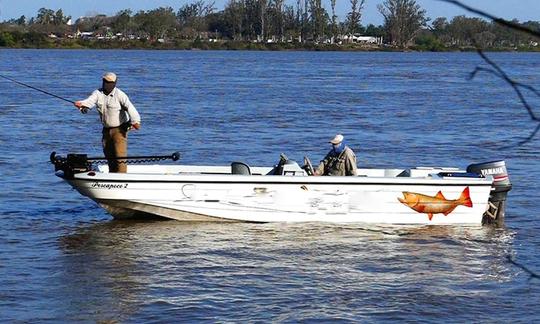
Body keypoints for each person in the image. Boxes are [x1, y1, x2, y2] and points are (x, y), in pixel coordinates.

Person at [74, 72, 141, 173]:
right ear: (103, 81)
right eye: (105, 81)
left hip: (120, 130)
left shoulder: (120, 95)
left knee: (120, 156)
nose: (107, 84)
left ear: (115, 83)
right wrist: (81, 104)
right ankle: (112, 175)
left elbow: (130, 108)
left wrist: (136, 122)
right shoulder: (97, 93)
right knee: (109, 155)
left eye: (110, 82)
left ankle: (122, 178)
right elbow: (89, 102)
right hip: (106, 130)